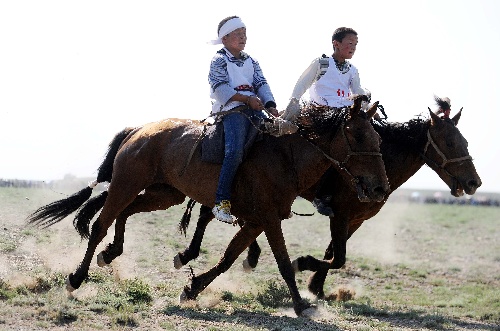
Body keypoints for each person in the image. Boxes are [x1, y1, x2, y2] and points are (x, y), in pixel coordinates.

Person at [281, 27, 371, 217]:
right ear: (336, 44)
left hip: (343, 117)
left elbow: (357, 91)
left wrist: (365, 100)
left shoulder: (353, 70)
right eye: (349, 43)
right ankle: (317, 195)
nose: (353, 47)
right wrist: (294, 101)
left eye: (355, 44)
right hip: (319, 116)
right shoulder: (321, 63)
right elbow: (302, 83)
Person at [208, 16, 278, 224]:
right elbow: (220, 88)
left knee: (275, 145)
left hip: (254, 107)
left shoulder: (251, 61)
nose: (243, 38)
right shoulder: (219, 60)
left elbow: (261, 83)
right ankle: (221, 202)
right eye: (238, 34)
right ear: (225, 38)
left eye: (244, 34)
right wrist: (247, 99)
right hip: (231, 110)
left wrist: (271, 105)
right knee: (235, 150)